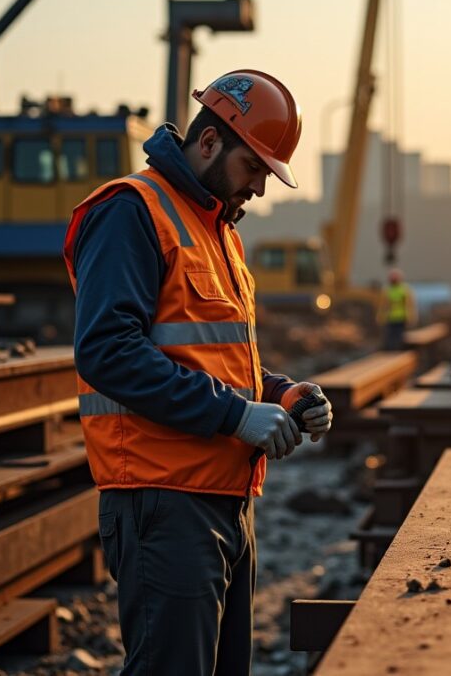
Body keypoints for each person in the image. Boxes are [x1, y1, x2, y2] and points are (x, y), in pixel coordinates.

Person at [61, 70, 332, 675]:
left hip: (225, 500)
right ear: (209, 143)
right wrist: (237, 415)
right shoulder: (131, 211)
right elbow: (106, 349)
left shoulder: (218, 233)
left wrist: (283, 394)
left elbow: (218, 360)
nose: (259, 189)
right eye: (253, 169)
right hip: (163, 499)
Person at [380, 267, 416, 350]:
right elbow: (383, 305)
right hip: (390, 317)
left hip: (401, 317)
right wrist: (381, 316)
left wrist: (410, 316)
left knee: (400, 335)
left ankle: (399, 350)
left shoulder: (404, 289)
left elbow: (409, 304)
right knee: (390, 335)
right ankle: (391, 350)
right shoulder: (387, 290)